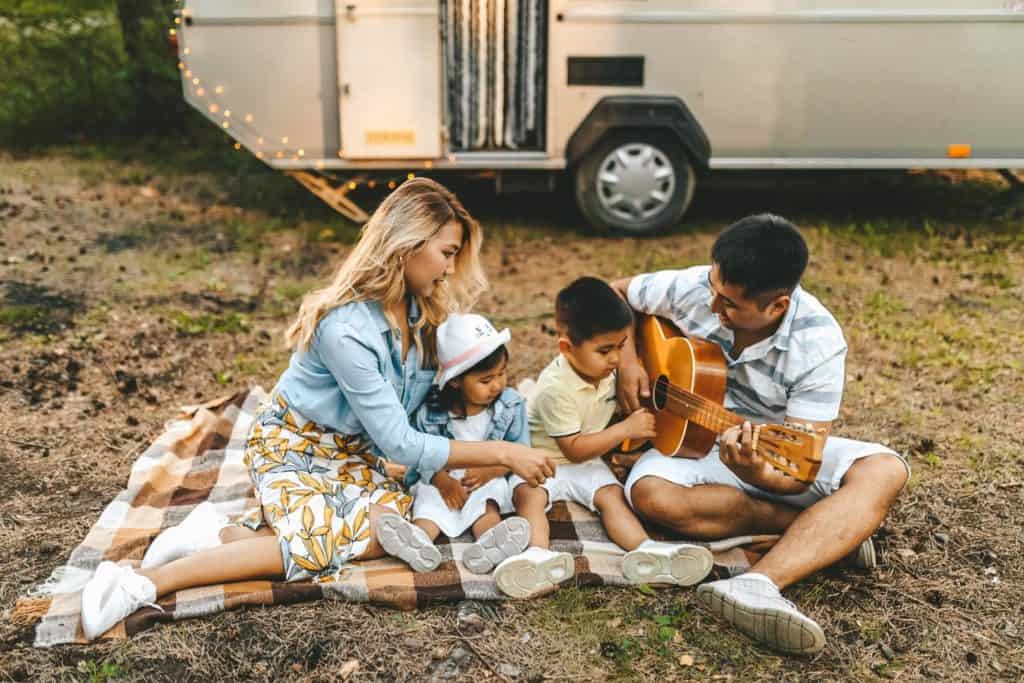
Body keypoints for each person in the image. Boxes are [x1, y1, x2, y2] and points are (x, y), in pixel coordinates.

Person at [79, 178, 556, 640]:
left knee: (385, 534)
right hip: (293, 445)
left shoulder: (421, 315)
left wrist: (464, 460)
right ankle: (143, 583)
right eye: (446, 253)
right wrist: (505, 453)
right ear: (407, 244)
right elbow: (398, 441)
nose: (450, 269)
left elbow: (411, 419)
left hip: (350, 453)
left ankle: (218, 536)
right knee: (319, 542)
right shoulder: (346, 328)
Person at [611, 214, 910, 655]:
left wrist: (757, 474)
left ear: (778, 306)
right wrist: (631, 363)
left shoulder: (818, 344)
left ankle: (758, 585)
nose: (713, 306)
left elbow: (798, 472)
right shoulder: (701, 285)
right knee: (652, 496)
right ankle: (830, 536)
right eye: (714, 290)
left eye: (729, 304)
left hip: (765, 450)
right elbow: (613, 292)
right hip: (685, 442)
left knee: (885, 471)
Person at [493, 277, 714, 599]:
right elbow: (574, 449)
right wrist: (625, 430)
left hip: (587, 462)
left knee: (612, 496)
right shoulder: (556, 389)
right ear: (567, 348)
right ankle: (536, 555)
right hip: (543, 461)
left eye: (621, 347)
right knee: (530, 497)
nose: (615, 359)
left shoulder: (606, 373)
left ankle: (645, 551)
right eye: (605, 350)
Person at [378, 313, 531, 575]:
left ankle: (490, 543)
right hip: (441, 477)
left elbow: (520, 450)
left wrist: (491, 471)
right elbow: (420, 452)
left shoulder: (510, 405)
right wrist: (441, 480)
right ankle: (418, 542)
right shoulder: (432, 411)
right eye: (486, 380)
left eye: (502, 373)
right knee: (428, 503)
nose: (497, 385)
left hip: (482, 478)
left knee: (487, 502)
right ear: (457, 380)